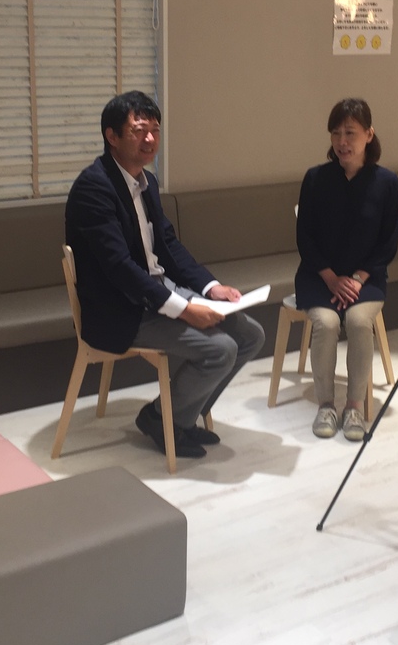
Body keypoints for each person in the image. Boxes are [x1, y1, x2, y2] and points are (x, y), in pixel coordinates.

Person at [65, 91, 264, 460]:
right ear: (112, 136)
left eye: (155, 130)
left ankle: (178, 416)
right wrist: (184, 309)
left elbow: (168, 246)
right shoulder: (95, 188)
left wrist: (211, 287)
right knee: (221, 349)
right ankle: (163, 419)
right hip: (121, 308)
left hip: (157, 292)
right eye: (139, 130)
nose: (150, 139)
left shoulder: (146, 182)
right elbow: (119, 269)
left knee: (250, 335)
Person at [295, 98, 398, 441]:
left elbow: (388, 243)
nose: (342, 141)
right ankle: (326, 405)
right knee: (326, 324)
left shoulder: (387, 182)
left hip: (366, 278)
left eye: (350, 133)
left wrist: (356, 279)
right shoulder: (315, 178)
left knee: (357, 321)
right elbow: (304, 238)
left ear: (369, 134)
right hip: (319, 276)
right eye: (336, 133)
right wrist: (331, 278)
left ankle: (354, 407)